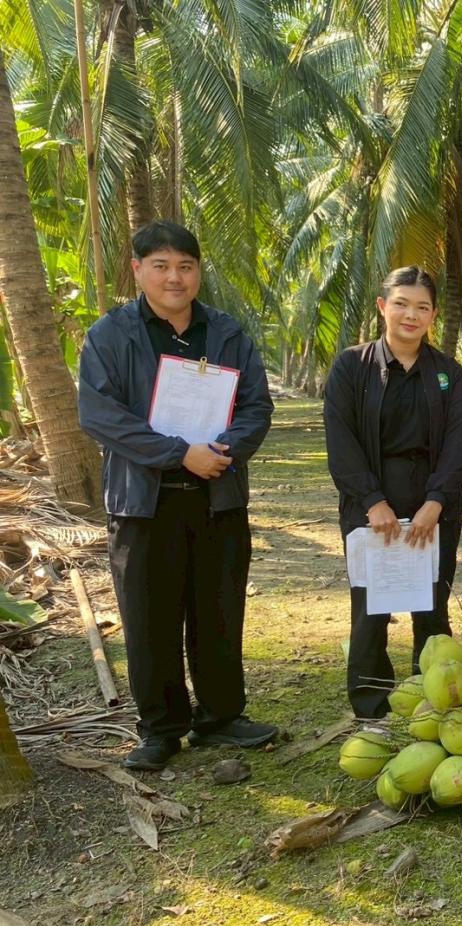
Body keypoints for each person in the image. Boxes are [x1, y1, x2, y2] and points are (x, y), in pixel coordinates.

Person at [78, 221, 275, 770]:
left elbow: (256, 405)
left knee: (218, 611)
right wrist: (178, 453)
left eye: (185, 266)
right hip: (144, 503)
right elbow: (100, 415)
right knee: (149, 619)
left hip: (217, 497)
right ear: (137, 270)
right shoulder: (110, 336)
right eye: (161, 266)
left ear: (198, 272)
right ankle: (160, 729)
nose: (174, 278)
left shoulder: (227, 333)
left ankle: (221, 717)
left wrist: (222, 449)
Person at [323, 266, 462, 720]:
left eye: (422, 307)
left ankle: (434, 703)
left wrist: (436, 502)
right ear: (382, 306)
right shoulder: (352, 366)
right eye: (402, 304)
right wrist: (372, 501)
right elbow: (341, 441)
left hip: (433, 511)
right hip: (371, 511)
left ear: (433, 315)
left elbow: (458, 444)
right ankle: (371, 708)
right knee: (371, 610)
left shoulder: (448, 373)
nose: (411, 315)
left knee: (432, 609)